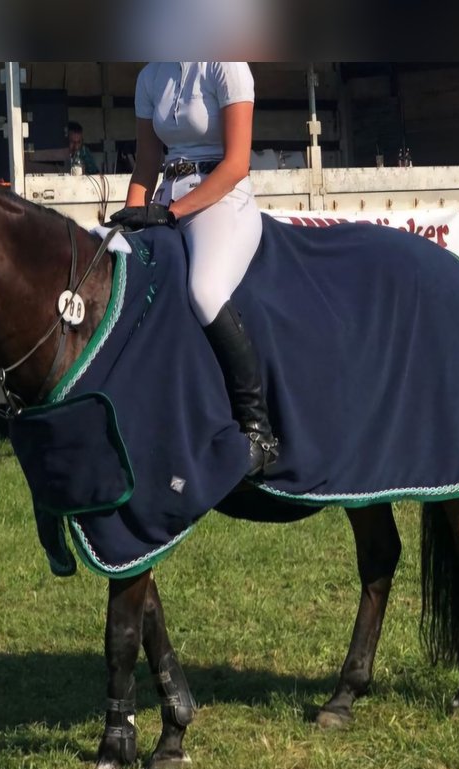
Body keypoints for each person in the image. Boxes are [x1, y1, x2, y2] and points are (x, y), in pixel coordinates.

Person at [108, 62, 278, 477]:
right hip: (165, 197)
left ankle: (259, 431)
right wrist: (132, 217)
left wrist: (171, 212)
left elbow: (237, 163)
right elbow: (147, 163)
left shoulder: (227, 67)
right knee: (112, 268)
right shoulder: (150, 77)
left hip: (223, 199)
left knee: (204, 290)